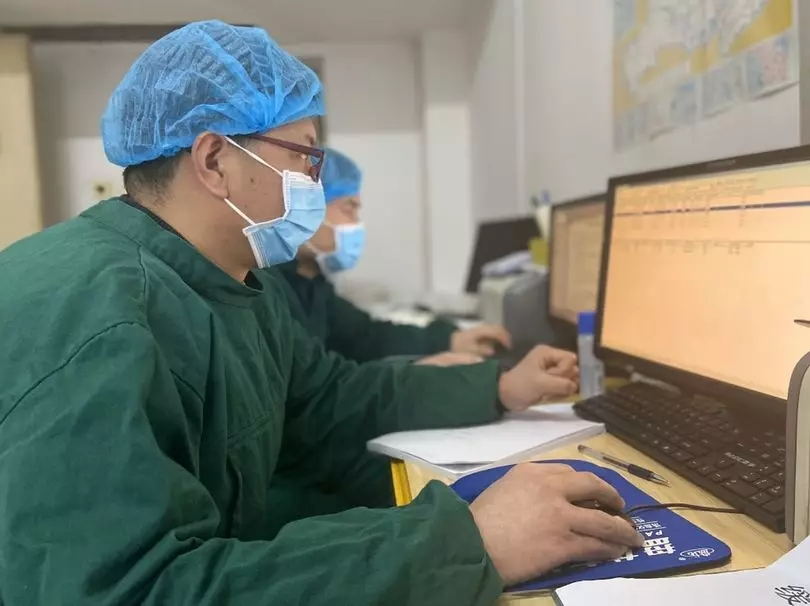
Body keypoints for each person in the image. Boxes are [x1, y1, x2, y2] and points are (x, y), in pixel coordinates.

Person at [0, 21, 642, 605]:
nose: (314, 181)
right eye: (305, 157)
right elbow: (132, 592)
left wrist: (494, 387)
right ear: (215, 161)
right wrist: (465, 545)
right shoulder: (94, 315)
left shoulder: (234, 281)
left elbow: (328, 401)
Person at [277, 147, 510, 365]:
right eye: (349, 209)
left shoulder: (310, 283)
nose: (356, 224)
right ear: (306, 206)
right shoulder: (274, 289)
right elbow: (319, 383)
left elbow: (365, 336)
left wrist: (449, 340)